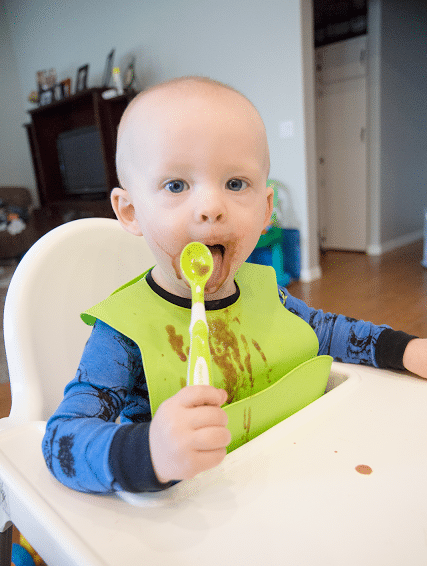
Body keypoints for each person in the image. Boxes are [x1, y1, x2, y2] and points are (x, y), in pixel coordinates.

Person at [42, 76, 427, 495]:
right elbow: (62, 440)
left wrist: (405, 349)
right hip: (191, 521)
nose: (211, 208)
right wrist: (149, 451)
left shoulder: (267, 294)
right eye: (176, 185)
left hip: (286, 482)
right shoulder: (123, 331)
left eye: (235, 183)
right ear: (131, 211)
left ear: (265, 211)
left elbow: (331, 332)